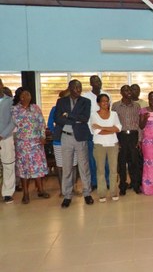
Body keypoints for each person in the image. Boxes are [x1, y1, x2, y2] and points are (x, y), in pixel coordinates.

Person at [54, 79, 94, 208]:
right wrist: (73, 118)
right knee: (67, 168)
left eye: (80, 88)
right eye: (76, 88)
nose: (78, 90)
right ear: (70, 88)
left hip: (80, 137)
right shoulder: (61, 101)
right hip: (66, 137)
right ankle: (67, 195)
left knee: (84, 166)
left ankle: (87, 193)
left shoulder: (85, 102)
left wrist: (68, 116)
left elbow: (84, 118)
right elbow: (58, 119)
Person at [11, 88, 49, 204]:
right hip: (23, 144)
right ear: (19, 97)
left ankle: (41, 190)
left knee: (38, 167)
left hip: (36, 143)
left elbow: (42, 122)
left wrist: (42, 136)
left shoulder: (35, 108)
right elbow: (17, 123)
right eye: (24, 95)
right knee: (24, 168)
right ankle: (26, 193)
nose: (27, 96)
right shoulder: (15, 109)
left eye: (28, 94)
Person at [90, 94, 121, 202]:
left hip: (113, 144)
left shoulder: (114, 114)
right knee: (101, 170)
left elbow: (118, 128)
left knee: (113, 170)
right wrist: (110, 129)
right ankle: (102, 193)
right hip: (99, 145)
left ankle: (114, 192)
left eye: (107, 101)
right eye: (103, 101)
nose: (105, 103)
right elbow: (97, 132)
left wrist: (102, 127)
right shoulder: (94, 115)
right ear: (98, 103)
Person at [112, 85, 142, 195]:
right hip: (121, 135)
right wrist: (116, 139)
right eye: (125, 90)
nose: (128, 92)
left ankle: (136, 185)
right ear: (121, 92)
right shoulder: (115, 106)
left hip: (134, 135)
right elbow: (113, 123)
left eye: (129, 90)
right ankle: (123, 186)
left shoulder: (137, 106)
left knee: (134, 162)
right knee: (122, 162)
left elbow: (139, 123)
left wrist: (139, 139)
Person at [47, 89, 78, 196]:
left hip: (74, 139)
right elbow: (50, 124)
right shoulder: (55, 109)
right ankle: (63, 189)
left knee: (73, 165)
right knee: (60, 166)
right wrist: (55, 131)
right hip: (59, 140)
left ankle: (73, 188)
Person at [82, 75, 111, 190]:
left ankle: (107, 181)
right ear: (90, 83)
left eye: (99, 81)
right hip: (91, 133)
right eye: (94, 81)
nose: (97, 83)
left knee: (106, 159)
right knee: (92, 159)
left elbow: (110, 113)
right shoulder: (86, 97)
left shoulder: (107, 95)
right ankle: (94, 182)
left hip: (105, 133)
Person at [0, 79, 16, 204]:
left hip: (6, 138)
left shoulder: (10, 102)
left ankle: (7, 193)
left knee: (8, 165)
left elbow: (13, 121)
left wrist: (2, 135)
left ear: (1, 86)